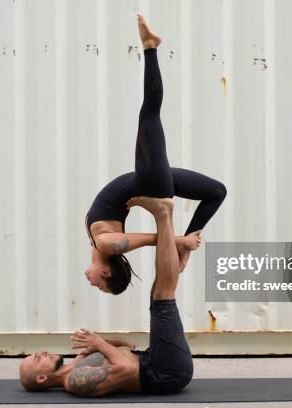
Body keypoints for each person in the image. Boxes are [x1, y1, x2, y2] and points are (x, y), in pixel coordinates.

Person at [84, 13, 227, 294]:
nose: (92, 284)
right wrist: (177, 240)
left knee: (217, 191)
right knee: (149, 112)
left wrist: (182, 242)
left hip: (148, 181)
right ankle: (150, 47)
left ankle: (186, 246)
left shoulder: (100, 243)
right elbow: (151, 238)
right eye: (100, 285)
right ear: (106, 271)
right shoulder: (105, 245)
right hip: (149, 182)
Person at [20, 196, 193, 395]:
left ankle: (170, 240)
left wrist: (99, 342)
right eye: (36, 359)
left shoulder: (78, 362)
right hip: (165, 373)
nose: (41, 353)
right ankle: (163, 215)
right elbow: (127, 369)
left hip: (154, 360)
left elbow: (129, 346)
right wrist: (99, 344)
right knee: (163, 298)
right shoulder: (75, 382)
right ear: (41, 379)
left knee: (159, 295)